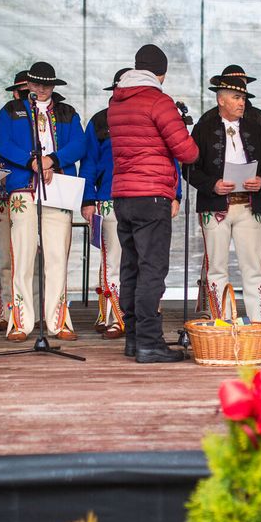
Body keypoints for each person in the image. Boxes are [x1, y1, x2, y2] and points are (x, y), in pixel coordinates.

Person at [107, 44, 199, 363]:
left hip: (122, 195)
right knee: (152, 269)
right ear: (161, 73)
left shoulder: (115, 103)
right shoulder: (159, 101)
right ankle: (149, 342)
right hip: (152, 195)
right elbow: (187, 152)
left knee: (130, 267)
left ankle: (133, 339)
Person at [80, 67, 182, 341]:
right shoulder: (100, 121)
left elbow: (170, 157)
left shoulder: (145, 113)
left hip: (131, 196)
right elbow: (89, 160)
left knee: (134, 264)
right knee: (119, 263)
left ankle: (133, 326)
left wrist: (177, 193)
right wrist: (87, 198)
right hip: (109, 197)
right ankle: (115, 318)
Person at [0, 61, 86, 342]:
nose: (41, 89)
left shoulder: (67, 112)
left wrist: (51, 160)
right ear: (28, 85)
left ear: (53, 86)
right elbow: (2, 143)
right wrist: (30, 160)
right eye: (36, 84)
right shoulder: (12, 111)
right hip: (23, 186)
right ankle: (19, 322)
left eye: (46, 84)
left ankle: (59, 321)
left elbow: (80, 144)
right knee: (21, 255)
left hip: (57, 185)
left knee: (57, 255)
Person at [189, 76, 261, 325]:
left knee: (253, 267)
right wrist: (212, 184)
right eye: (237, 98)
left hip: (250, 206)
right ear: (221, 99)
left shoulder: (254, 128)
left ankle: (259, 322)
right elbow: (190, 169)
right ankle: (222, 321)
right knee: (217, 267)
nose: (242, 103)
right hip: (215, 206)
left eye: (243, 98)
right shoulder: (203, 129)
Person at [0, 69, 30, 331]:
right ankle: (6, 309)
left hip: (40, 195)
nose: (27, 96)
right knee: (8, 255)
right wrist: (0, 174)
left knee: (39, 256)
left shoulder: (49, 121)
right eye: (22, 91)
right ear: (14, 93)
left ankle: (35, 310)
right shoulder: (0, 119)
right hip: (8, 197)